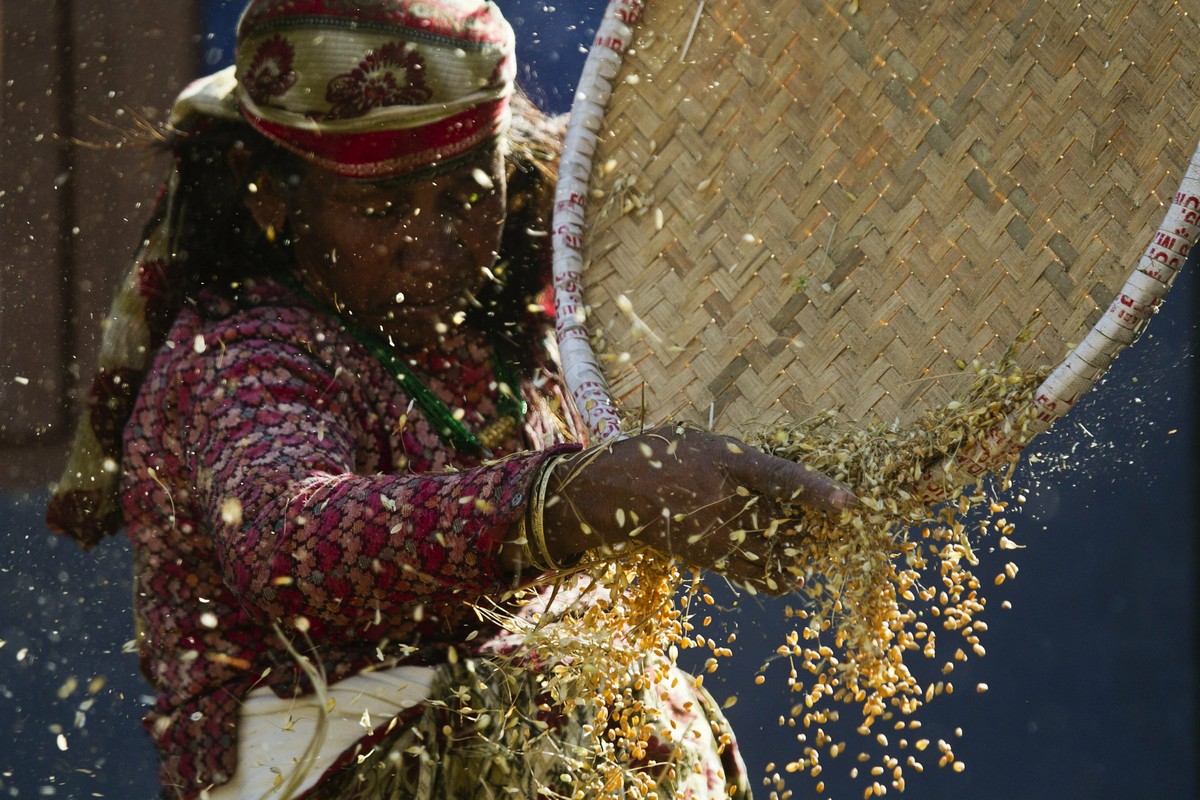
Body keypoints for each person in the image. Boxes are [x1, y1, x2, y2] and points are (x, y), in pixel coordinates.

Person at [46, 1, 856, 798]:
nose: (432, 245)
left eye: (469, 196)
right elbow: (281, 540)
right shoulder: (239, 352)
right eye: (381, 209)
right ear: (269, 193)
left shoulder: (520, 315)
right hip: (322, 761)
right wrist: (572, 500)